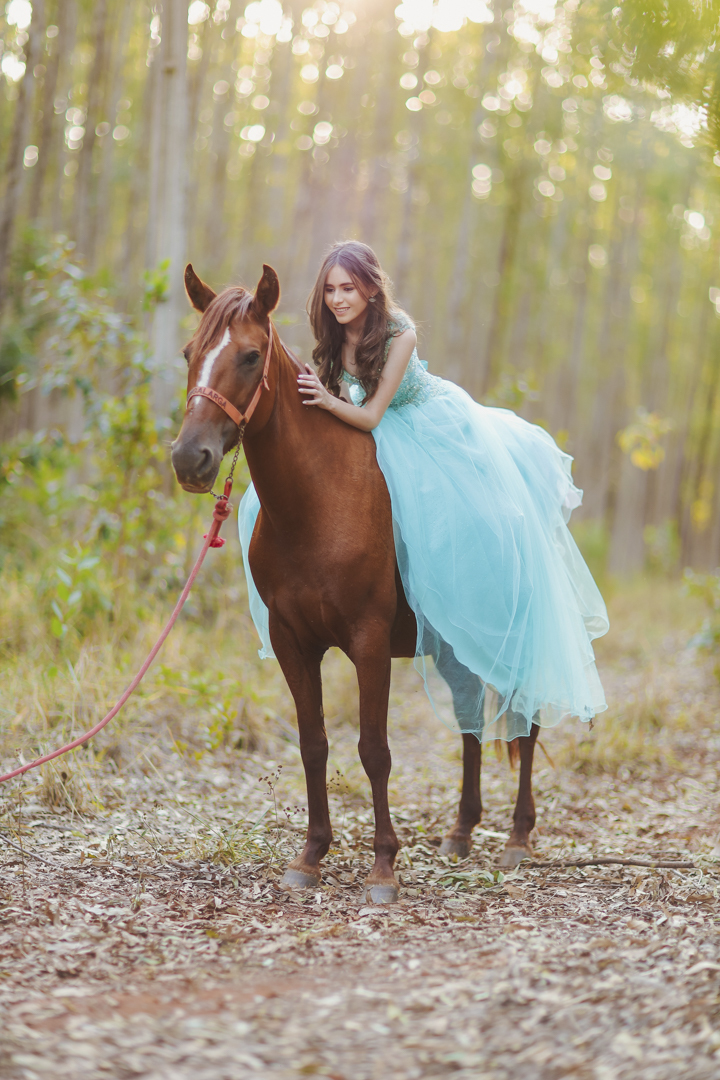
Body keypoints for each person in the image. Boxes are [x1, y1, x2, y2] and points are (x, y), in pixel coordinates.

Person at [239, 240, 608, 742]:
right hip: (362, 431)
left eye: (349, 288)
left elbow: (371, 413)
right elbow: (338, 404)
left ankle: (474, 595)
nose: (338, 299)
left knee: (461, 512)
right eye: (330, 289)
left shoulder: (399, 333)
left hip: (423, 428)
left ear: (372, 288)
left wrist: (325, 401)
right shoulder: (329, 336)